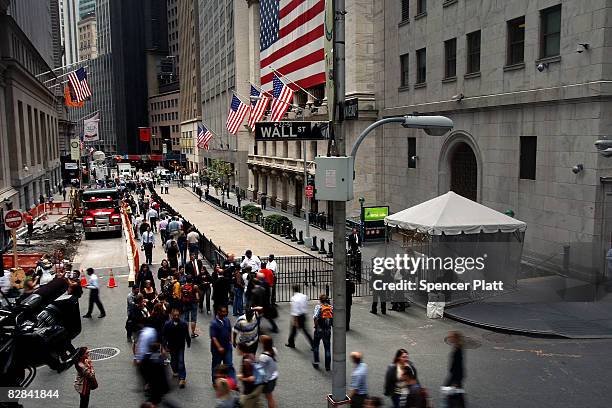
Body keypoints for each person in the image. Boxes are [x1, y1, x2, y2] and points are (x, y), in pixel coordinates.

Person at [162, 308, 191, 388]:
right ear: (171, 316)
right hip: (172, 346)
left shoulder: (184, 324)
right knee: (173, 360)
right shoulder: (167, 324)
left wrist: (188, 342)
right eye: (175, 315)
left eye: (178, 315)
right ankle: (175, 370)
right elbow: (164, 335)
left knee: (181, 361)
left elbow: (186, 334)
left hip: (181, 345)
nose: (176, 316)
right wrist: (164, 345)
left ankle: (182, 378)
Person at [210, 305, 235, 385]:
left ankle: (232, 382)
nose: (225, 313)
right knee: (216, 366)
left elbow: (229, 330)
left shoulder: (227, 320)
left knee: (229, 365)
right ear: (218, 312)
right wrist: (219, 347)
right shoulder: (213, 324)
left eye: (225, 312)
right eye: (223, 312)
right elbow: (213, 337)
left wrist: (231, 341)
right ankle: (215, 381)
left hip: (227, 348)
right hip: (217, 350)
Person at [285, 285, 313, 349]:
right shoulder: (304, 296)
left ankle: (291, 343)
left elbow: (295, 311)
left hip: (298, 317)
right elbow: (306, 305)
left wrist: (295, 321)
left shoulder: (294, 298)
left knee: (296, 330)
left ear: (293, 290)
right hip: (303, 315)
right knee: (303, 330)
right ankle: (291, 342)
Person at [237, 344, 264, 408]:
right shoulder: (251, 355)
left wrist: (242, 378)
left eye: (238, 349)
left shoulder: (246, 361)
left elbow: (252, 378)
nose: (237, 350)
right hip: (257, 387)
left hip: (250, 390)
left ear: (241, 350)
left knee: (243, 404)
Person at [444, 331, 466, 408]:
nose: (449, 338)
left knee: (449, 390)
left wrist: (455, 381)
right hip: (455, 375)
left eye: (451, 337)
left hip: (455, 376)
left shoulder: (458, 350)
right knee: (455, 391)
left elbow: (458, 366)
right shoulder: (457, 347)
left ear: (455, 338)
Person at [312, 293, 333, 371]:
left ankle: (316, 362)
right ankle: (327, 366)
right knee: (327, 348)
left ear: (320, 300)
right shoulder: (331, 307)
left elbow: (315, 317)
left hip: (319, 329)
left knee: (316, 346)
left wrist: (316, 326)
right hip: (327, 330)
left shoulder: (318, 307)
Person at [258, 335, 278, 408]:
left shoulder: (263, 357)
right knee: (269, 396)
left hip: (267, 379)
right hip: (274, 375)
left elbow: (260, 369)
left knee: (269, 397)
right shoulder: (274, 349)